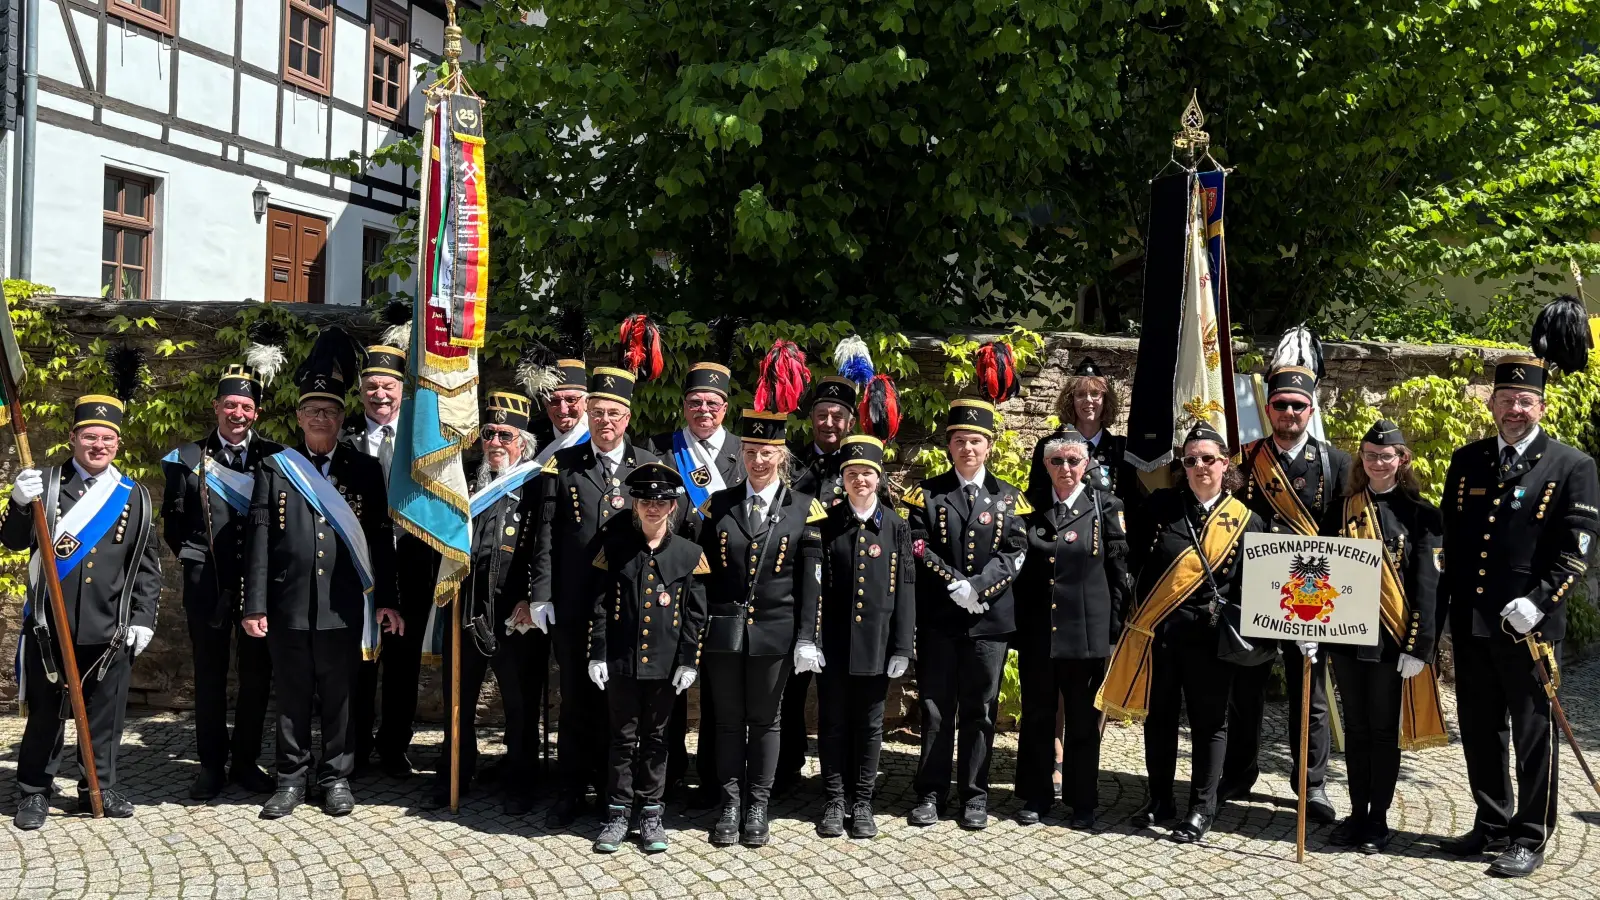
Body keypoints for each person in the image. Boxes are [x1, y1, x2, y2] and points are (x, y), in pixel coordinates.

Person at [1438, 347, 1599, 877]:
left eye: (1525, 400)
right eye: (1506, 399)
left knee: (1533, 734)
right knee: (1480, 728)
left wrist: (1540, 600)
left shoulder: (1572, 465)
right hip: (1474, 623)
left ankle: (1530, 835)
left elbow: (1577, 548)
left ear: (1542, 407)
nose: (1514, 409)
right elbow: (1455, 546)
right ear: (1492, 403)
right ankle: (1491, 822)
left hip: (1529, 628)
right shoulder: (1467, 462)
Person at [243, 328, 402, 819]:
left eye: (330, 412)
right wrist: (255, 604)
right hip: (288, 602)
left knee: (341, 696)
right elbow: (261, 536)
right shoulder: (275, 468)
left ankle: (336, 777)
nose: (321, 418)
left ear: (340, 418)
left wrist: (388, 599)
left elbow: (379, 541)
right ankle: (290, 779)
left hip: (344, 604)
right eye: (312, 411)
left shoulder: (363, 470)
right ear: (298, 417)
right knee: (290, 696)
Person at [7, 366, 162, 831]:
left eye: (106, 440)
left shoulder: (135, 496)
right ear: (73, 438)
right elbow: (14, 542)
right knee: (44, 718)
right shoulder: (46, 486)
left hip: (109, 629)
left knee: (105, 718)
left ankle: (100, 785)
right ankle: (34, 791)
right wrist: (17, 503)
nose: (98, 446)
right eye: (89, 437)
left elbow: (146, 568)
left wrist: (143, 618)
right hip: (50, 628)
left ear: (118, 445)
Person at [1098, 423, 1267, 844]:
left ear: (1225, 464)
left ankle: (1201, 807)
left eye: (1208, 459)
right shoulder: (1160, 507)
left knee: (1210, 725)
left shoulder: (1248, 520)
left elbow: (1258, 589)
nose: (1199, 467)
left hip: (1211, 641)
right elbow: (1130, 561)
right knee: (1159, 720)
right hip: (1162, 636)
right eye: (1190, 460)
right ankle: (1159, 800)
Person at [533, 365, 665, 827]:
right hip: (573, 601)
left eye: (614, 413)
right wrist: (541, 593)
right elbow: (546, 533)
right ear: (587, 414)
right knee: (574, 699)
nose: (604, 421)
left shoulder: (649, 464)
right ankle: (571, 788)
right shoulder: (564, 466)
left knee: (623, 702)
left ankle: (617, 794)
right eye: (597, 412)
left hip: (630, 604)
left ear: (627, 417)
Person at [1225, 363, 1349, 823]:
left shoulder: (1336, 463)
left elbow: (1342, 534)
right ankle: (1238, 774)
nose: (1290, 412)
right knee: (1246, 690)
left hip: (1309, 595)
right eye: (1281, 405)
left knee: (1310, 695)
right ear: (1269, 408)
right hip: (1253, 591)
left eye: (1298, 405)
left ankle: (1311, 785)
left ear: (1310, 410)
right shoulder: (1245, 459)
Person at [696, 408, 825, 847]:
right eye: (750, 451)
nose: (758, 460)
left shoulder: (805, 509)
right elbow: (703, 573)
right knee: (728, 722)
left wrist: (808, 636)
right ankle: (730, 805)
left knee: (767, 721)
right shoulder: (719, 506)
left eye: (767, 452)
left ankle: (758, 805)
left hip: (776, 632)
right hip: (725, 632)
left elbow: (811, 583)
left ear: (781, 455)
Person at [901, 397, 1030, 830]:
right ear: (949, 446)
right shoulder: (926, 493)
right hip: (939, 618)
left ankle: (975, 795)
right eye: (959, 440)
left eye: (975, 441)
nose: (967, 448)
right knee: (936, 709)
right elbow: (918, 544)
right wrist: (952, 582)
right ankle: (930, 794)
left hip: (989, 622)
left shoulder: (1011, 498)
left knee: (981, 709)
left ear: (988, 446)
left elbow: (1014, 552)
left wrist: (977, 588)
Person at [1320, 420, 1447, 855]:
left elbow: (1429, 588)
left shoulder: (1423, 514)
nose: (1377, 463)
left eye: (1386, 456)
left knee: (1381, 731)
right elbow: (1322, 573)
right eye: (1370, 456)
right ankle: (1357, 813)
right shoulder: (1338, 510)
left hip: (1392, 641)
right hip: (1345, 638)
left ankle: (1378, 819)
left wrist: (1420, 646)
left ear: (1402, 460)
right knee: (1354, 730)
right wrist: (1311, 627)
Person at [160, 356, 284, 801]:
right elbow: (173, 523)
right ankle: (211, 765)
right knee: (209, 676)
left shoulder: (276, 458)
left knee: (256, 677)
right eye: (230, 405)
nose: (238, 414)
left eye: (246, 408)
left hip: (258, 586)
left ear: (257, 414)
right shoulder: (186, 458)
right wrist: (197, 563)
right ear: (216, 408)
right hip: (207, 584)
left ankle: (247, 762)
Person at [425, 390, 545, 814]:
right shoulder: (466, 485)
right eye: (489, 434)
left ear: (523, 443)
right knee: (458, 694)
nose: (495, 443)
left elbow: (546, 549)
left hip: (515, 612)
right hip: (466, 603)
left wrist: (535, 599)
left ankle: (520, 780)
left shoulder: (537, 485)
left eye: (505, 435)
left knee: (518, 701)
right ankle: (455, 770)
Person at [1014, 427, 1132, 829]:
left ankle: (1083, 801)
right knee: (1037, 717)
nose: (1066, 467)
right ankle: (1036, 796)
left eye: (1074, 460)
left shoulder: (1106, 505)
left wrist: (1113, 630)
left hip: (1087, 634)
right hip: (1038, 632)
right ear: (1045, 465)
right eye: (1056, 460)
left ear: (1087, 464)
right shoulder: (1028, 506)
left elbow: (1119, 575)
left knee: (1083, 722)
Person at [587, 463, 709, 854]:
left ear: (673, 506)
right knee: (620, 739)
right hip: (622, 661)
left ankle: (651, 812)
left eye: (661, 501)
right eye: (645, 501)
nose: (653, 507)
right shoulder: (616, 549)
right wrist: (598, 653)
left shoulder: (691, 554)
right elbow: (602, 606)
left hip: (666, 663)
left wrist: (689, 660)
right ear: (634, 505)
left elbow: (695, 614)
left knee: (657, 741)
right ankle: (618, 812)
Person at [648, 359, 743, 804]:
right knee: (670, 679)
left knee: (719, 687)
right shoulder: (662, 450)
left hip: (726, 587)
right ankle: (665, 775)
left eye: (712, 402)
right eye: (694, 402)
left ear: (725, 407)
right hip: (674, 583)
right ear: (683, 406)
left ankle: (712, 778)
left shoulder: (746, 453)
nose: (703, 409)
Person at [814, 435, 914, 840]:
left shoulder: (896, 526)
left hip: (877, 642)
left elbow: (906, 587)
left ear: (878, 479)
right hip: (834, 643)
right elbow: (814, 586)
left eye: (867, 473)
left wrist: (903, 646)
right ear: (843, 479)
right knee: (833, 722)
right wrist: (811, 639)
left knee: (870, 725)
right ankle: (835, 799)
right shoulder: (825, 524)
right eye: (852, 473)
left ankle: (863, 801)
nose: (860, 480)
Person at [342, 342, 428, 778]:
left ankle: (395, 746)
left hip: (412, 567)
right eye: (373, 386)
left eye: (389, 386)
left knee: (403, 663)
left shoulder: (422, 443)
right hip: (358, 570)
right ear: (361, 392)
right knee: (358, 664)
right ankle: (353, 747)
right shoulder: (344, 442)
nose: (381, 394)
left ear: (401, 390)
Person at [775, 374, 858, 791]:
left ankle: (836, 774)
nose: (829, 423)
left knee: (839, 689)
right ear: (811, 419)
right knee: (791, 683)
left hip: (845, 587)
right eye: (822, 415)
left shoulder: (862, 466)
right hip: (796, 586)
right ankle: (786, 765)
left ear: (850, 421)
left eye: (837, 416)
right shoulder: (790, 462)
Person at [1026, 357, 1140, 515]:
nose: (1088, 400)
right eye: (1080, 394)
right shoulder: (1049, 446)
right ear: (1070, 401)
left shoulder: (1121, 449)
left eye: (1095, 394)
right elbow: (1036, 497)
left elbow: (1132, 502)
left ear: (1105, 400)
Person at [531, 358, 590, 465]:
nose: (563, 409)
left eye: (571, 400)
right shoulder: (532, 436)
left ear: (586, 402)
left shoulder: (600, 434)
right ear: (545, 404)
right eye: (554, 401)